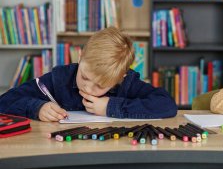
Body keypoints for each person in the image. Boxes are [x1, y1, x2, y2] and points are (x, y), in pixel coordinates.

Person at [0, 27, 177, 122]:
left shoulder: (127, 83)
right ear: (81, 55)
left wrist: (111, 107)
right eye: (84, 76)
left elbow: (167, 105)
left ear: (119, 78)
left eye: (100, 86)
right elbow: (5, 101)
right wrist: (37, 108)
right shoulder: (60, 78)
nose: (88, 87)